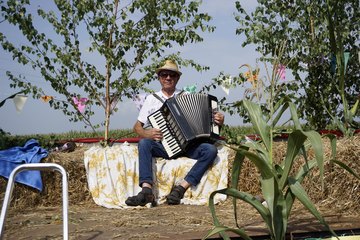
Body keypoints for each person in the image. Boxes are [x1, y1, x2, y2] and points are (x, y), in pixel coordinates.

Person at [125, 60, 225, 206]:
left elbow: (208, 120)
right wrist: (148, 134)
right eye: (164, 75)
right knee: (144, 143)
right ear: (159, 78)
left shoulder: (186, 96)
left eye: (172, 75)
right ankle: (146, 191)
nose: (168, 78)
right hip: (164, 147)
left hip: (189, 146)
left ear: (177, 78)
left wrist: (218, 120)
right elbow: (137, 127)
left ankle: (180, 189)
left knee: (210, 150)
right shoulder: (151, 99)